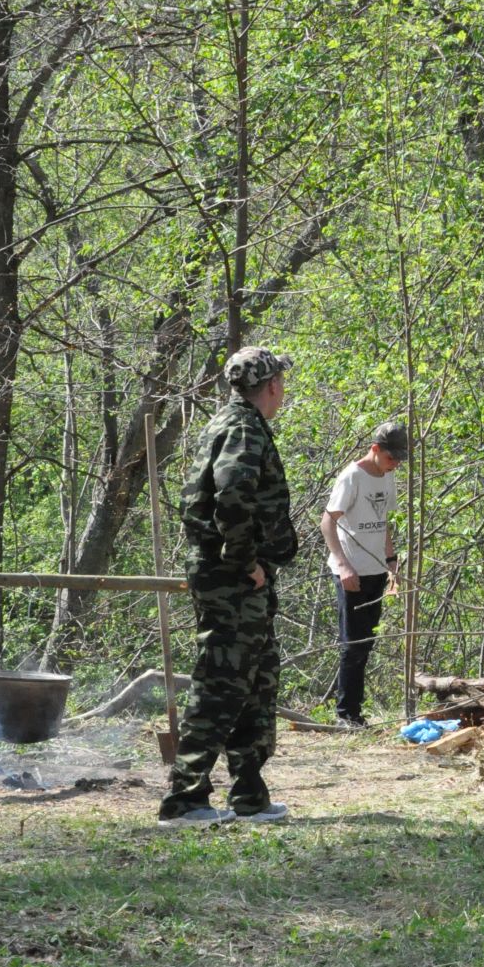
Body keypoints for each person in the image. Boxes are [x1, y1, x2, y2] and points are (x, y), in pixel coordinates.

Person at [159, 346, 299, 827]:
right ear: (273, 386)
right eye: (282, 381)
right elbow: (232, 495)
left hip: (239, 577)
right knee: (221, 683)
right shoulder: (240, 427)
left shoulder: (237, 422)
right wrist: (245, 562)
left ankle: (249, 796)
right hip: (231, 578)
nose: (283, 389)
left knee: (256, 684)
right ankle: (185, 800)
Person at [321, 420, 410, 728]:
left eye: (399, 459)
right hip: (351, 572)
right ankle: (345, 714)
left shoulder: (387, 477)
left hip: (376, 570)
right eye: (390, 458)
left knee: (366, 642)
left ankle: (355, 711)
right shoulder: (352, 477)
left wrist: (392, 567)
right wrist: (343, 565)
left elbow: (383, 523)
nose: (395, 464)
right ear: (375, 449)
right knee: (352, 644)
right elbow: (327, 522)